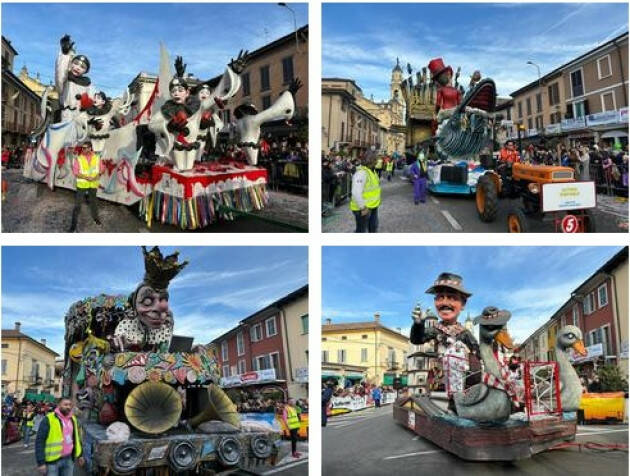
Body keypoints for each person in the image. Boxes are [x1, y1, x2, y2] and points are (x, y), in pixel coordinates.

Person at [410, 272, 480, 407]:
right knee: (441, 407)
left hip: (463, 378)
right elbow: (417, 339)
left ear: (463, 304)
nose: (445, 303)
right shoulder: (435, 329)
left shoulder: (464, 333)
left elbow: (477, 352)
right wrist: (418, 324)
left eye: (452, 298)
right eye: (440, 298)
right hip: (440, 378)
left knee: (460, 404)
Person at [35, 397, 84, 476]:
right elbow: (40, 441)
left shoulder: (73, 419)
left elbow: (76, 438)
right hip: (52, 462)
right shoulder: (48, 419)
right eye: (65, 404)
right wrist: (41, 462)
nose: (68, 407)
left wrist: (80, 455)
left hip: (68, 460)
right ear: (59, 405)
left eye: (70, 405)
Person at [69, 141, 103, 232]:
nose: (83, 150)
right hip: (82, 184)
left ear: (90, 148)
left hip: (93, 184)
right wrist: (86, 177)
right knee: (77, 205)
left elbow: (101, 170)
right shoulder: (79, 159)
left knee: (94, 203)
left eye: (85, 148)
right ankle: (73, 225)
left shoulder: (97, 158)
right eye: (82, 148)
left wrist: (96, 177)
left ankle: (96, 218)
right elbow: (76, 172)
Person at [350, 151, 381, 233]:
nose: (377, 161)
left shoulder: (372, 171)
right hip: (363, 208)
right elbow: (356, 192)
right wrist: (363, 208)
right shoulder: (361, 173)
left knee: (373, 228)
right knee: (361, 231)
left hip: (372, 206)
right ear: (371, 160)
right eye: (376, 159)